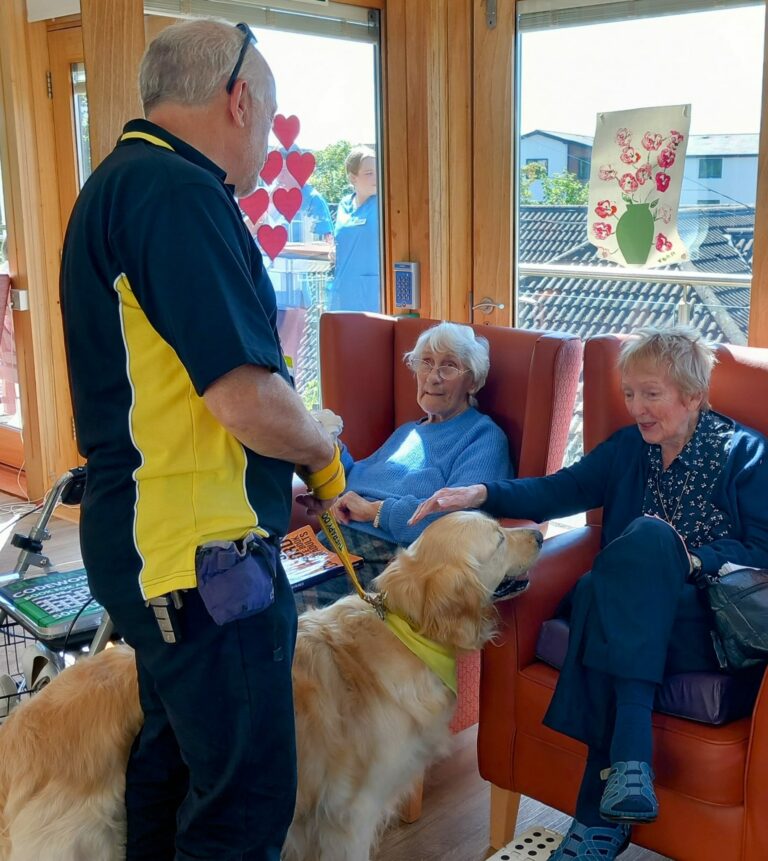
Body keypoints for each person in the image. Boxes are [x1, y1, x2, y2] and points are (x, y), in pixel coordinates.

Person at [59, 20, 342, 861]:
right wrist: (323, 456)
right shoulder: (180, 193)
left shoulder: (115, 182)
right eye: (270, 109)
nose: (264, 131)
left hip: (145, 543)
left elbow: (172, 390)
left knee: (174, 766)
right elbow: (245, 395)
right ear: (240, 98)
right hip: (201, 561)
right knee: (245, 801)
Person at [410, 326, 768, 860]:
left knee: (637, 550)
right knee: (613, 588)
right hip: (631, 618)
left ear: (692, 394)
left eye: (651, 394)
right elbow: (559, 489)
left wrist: (687, 560)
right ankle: (626, 772)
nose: (636, 408)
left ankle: (597, 815)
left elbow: (761, 548)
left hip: (704, 622)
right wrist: (482, 492)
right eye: (629, 393)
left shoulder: (746, 454)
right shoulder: (628, 449)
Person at [298, 321, 513, 610]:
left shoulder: (483, 438)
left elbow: (459, 523)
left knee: (283, 613)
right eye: (425, 363)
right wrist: (328, 447)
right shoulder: (410, 431)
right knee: (252, 590)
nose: (432, 377)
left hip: (389, 556)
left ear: (472, 382)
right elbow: (359, 478)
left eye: (448, 366)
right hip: (335, 540)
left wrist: (376, 512)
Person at [328, 145, 380, 312]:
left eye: (378, 170)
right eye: (369, 173)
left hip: (373, 295)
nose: (376, 177)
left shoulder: (384, 206)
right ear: (353, 178)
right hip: (344, 291)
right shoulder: (344, 205)